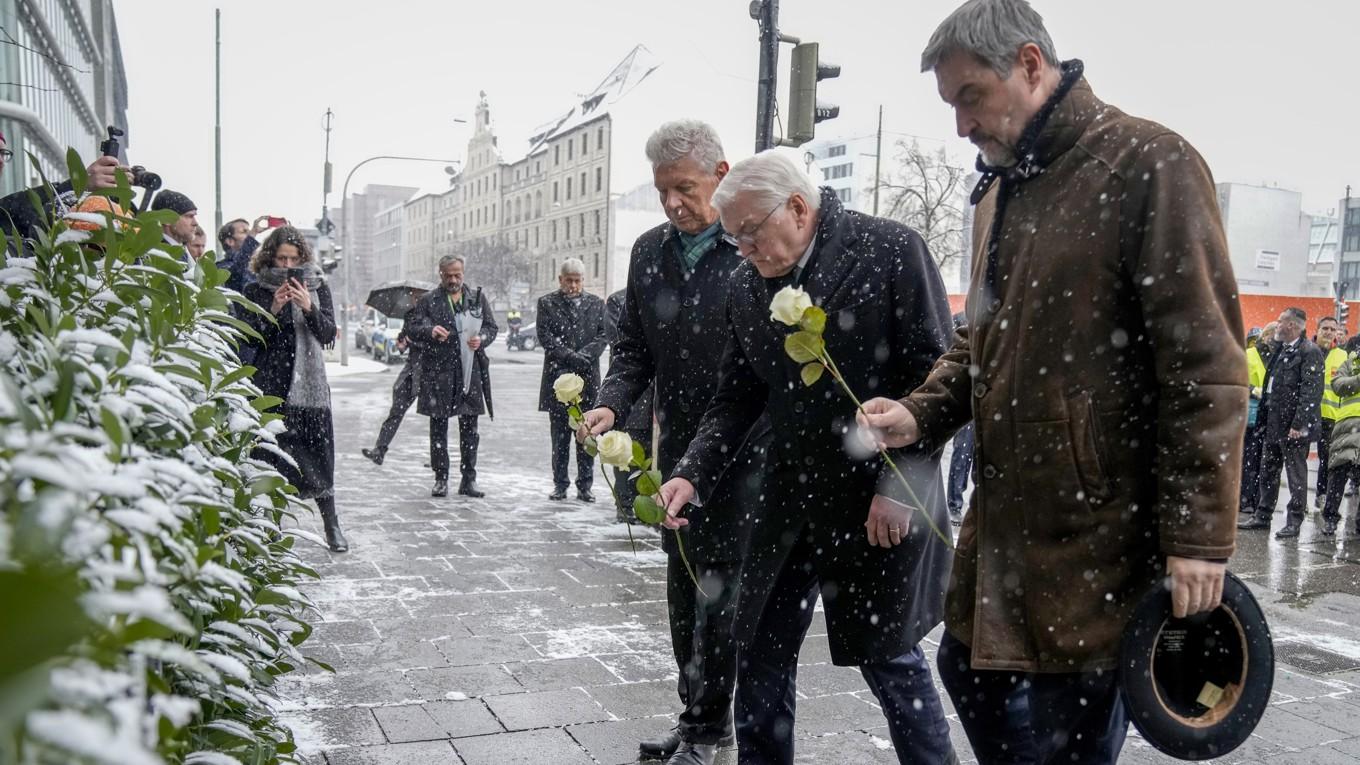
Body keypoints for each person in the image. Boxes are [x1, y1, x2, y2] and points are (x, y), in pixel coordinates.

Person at [855, 2, 1246, 762]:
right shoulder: (998, 189)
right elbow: (981, 339)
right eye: (950, 106)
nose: (961, 127)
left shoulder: (1147, 164)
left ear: (1031, 64)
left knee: (1065, 733)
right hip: (1004, 540)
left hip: (1096, 547)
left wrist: (1200, 539)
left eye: (971, 97)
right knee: (965, 674)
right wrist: (918, 414)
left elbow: (1206, 366)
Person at [656, 150, 956, 765]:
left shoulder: (890, 249)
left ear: (797, 206)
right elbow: (736, 398)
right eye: (731, 236)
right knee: (760, 651)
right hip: (789, 498)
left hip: (878, 496)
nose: (740, 250)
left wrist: (900, 491)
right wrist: (691, 471)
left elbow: (936, 379)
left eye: (747, 233)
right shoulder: (747, 284)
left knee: (889, 661)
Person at [582, 120, 768, 765]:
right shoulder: (649, 251)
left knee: (720, 592)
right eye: (663, 191)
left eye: (684, 188)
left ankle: (712, 731)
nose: (673, 203)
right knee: (683, 592)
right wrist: (610, 403)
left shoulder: (750, 249)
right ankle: (695, 718)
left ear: (721, 175)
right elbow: (633, 348)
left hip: (744, 452)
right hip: (676, 448)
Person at [242, 226, 347, 552]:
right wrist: (271, 310)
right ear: (270, 257)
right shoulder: (256, 290)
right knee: (274, 460)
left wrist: (309, 308)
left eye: (294, 259)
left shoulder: (318, 286)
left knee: (319, 457)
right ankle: (273, 526)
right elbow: (248, 339)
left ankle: (332, 526)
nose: (288, 266)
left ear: (303, 258)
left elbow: (329, 334)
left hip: (310, 392)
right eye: (282, 258)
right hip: (271, 387)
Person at [406, 255, 497, 498]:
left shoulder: (476, 298)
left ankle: (468, 479)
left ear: (463, 273)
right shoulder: (428, 300)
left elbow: (491, 327)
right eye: (449, 275)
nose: (454, 280)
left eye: (458, 274)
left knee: (470, 429)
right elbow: (413, 328)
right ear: (441, 274)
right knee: (438, 427)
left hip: (469, 371)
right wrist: (430, 330)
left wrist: (482, 339)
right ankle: (441, 478)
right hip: (439, 372)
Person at [1239, 307, 1324, 538]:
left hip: (1294, 428)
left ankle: (1294, 521)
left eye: (1280, 321)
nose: (1277, 325)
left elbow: (1311, 392)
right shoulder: (1281, 350)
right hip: (1273, 424)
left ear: (1292, 326)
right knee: (1268, 471)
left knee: (1296, 475)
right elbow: (1272, 386)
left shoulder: (1309, 351)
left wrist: (1298, 424)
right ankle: (1262, 515)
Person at [536, 259, 607, 502]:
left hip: (587, 379)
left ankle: (585, 486)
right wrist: (569, 356)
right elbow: (545, 336)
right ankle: (560, 484)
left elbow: (603, 334)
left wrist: (584, 356)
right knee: (560, 438)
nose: (574, 285)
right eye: (569, 280)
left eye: (578, 281)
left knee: (586, 434)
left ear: (583, 281)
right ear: (561, 280)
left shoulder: (597, 304)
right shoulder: (546, 303)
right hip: (558, 380)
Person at [602, 287, 652, 525]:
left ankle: (645, 502)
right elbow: (621, 342)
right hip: (631, 386)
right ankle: (624, 502)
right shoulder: (617, 301)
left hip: (657, 390)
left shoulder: (665, 294)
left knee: (647, 451)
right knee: (625, 448)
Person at [361, 291, 427, 466]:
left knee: (437, 416)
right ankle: (380, 450)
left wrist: (415, 341)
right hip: (412, 369)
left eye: (421, 297)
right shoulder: (410, 315)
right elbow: (402, 341)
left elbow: (435, 340)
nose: (417, 300)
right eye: (414, 296)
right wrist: (401, 344)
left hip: (430, 371)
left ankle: (438, 460)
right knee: (396, 410)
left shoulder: (436, 315)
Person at [1320, 335, 1360, 535]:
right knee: (1337, 473)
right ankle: (1330, 518)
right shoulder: (1351, 362)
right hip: (1346, 426)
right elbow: (1337, 385)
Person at [1241, 322, 1276, 514]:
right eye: (1272, 334)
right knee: (1250, 458)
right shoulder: (1250, 355)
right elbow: (1238, 381)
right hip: (1251, 414)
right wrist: (1252, 390)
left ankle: (1258, 500)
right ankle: (1246, 499)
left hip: (1269, 416)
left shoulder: (1278, 357)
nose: (1274, 338)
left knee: (1264, 461)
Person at [945, 311, 972, 525]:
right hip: (966, 400)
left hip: (983, 402)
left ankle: (971, 506)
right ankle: (954, 506)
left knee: (974, 457)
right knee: (962, 455)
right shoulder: (960, 319)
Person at [1316, 316, 1344, 508]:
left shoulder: (1342, 356)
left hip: (1331, 417)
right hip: (1308, 415)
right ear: (1317, 329)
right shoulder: (1309, 351)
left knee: (1327, 459)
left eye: (1332, 329)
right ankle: (1299, 501)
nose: (1328, 332)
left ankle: (1321, 494)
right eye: (1325, 328)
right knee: (1298, 460)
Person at [217, 216, 270, 293]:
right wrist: (252, 234)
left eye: (249, 231)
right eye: (244, 231)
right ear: (230, 241)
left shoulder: (257, 265)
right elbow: (237, 272)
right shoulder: (222, 267)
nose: (249, 234)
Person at [151, 190, 198, 258]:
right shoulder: (155, 253)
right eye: (189, 216)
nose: (195, 223)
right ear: (167, 220)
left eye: (194, 216)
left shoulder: (183, 252)